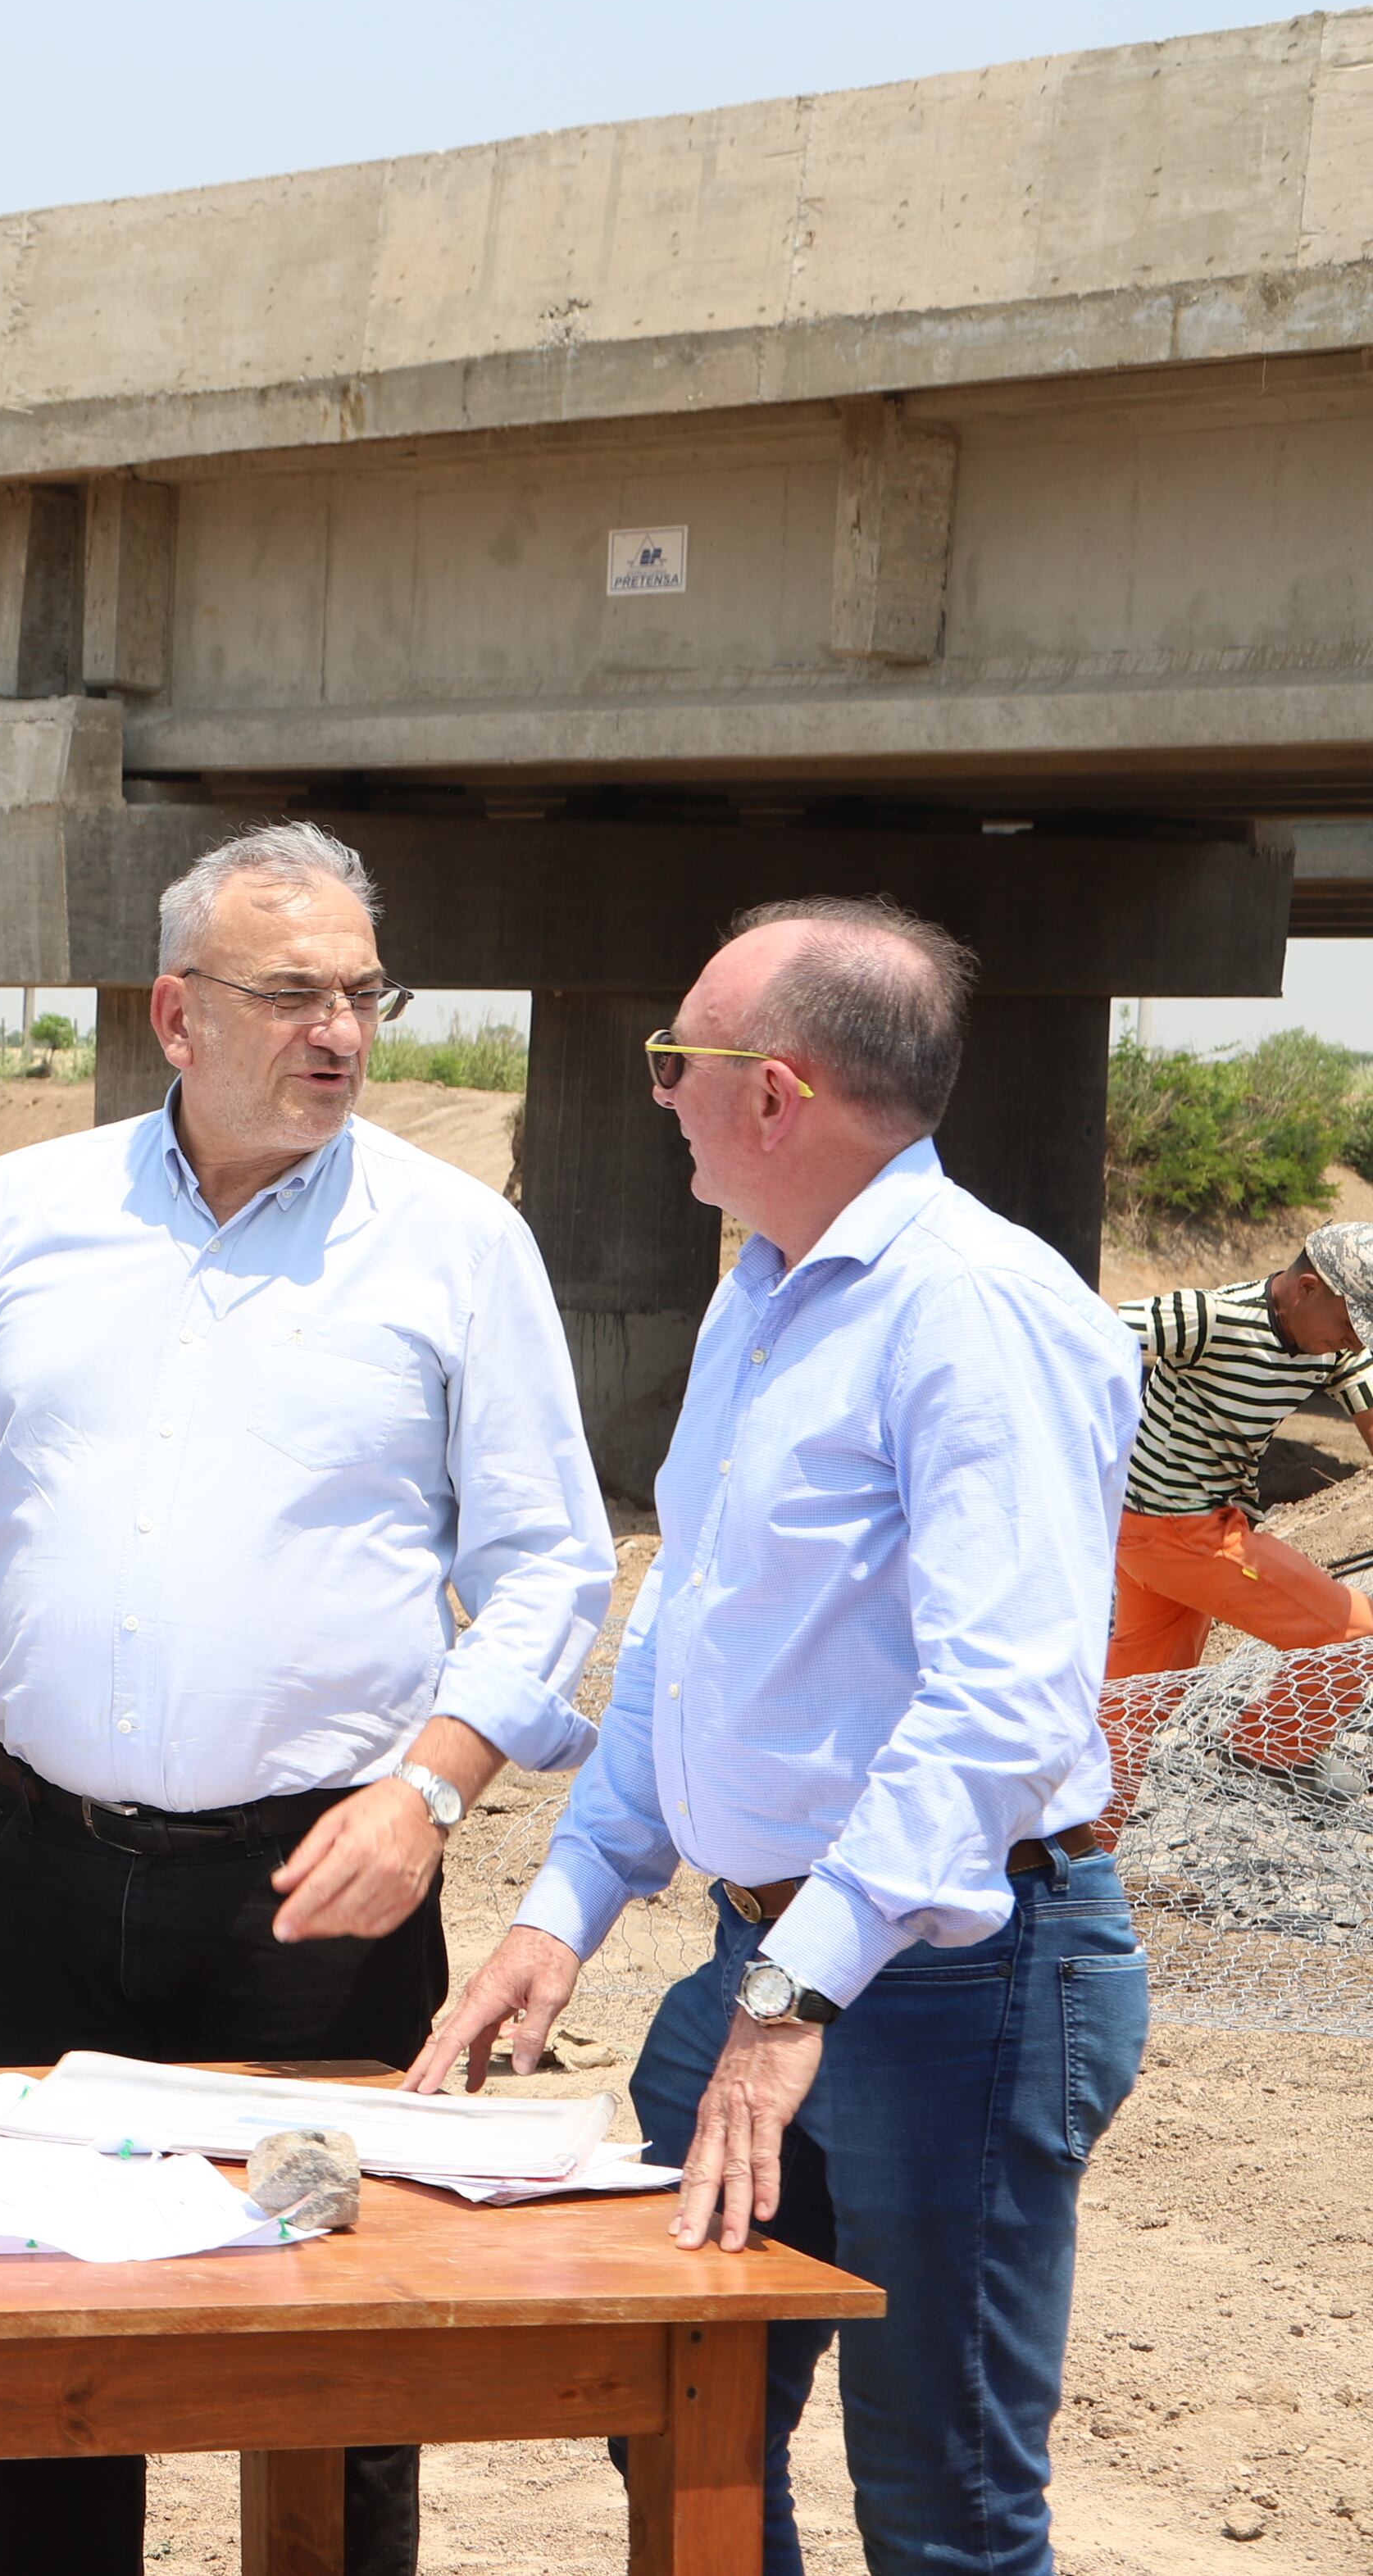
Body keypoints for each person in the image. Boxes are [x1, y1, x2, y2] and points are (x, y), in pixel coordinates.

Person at [0, 819, 613, 2576]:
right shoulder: (29, 1212)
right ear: (175, 1013)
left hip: (320, 1891)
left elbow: (555, 1563)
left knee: (333, 2359)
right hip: (35, 1866)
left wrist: (427, 1790)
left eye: (361, 993)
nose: (337, 1030)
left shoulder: (456, 1242)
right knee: (39, 2346)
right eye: (290, 994)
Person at [413, 897, 1148, 2576]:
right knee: (674, 2405)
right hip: (778, 1965)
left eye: (677, 1056)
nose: (652, 1088)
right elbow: (690, 1621)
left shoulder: (977, 1311)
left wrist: (792, 1995)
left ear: (775, 1090)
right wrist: (568, 1897)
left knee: (942, 2505)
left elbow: (1002, 1703)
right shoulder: (761, 1288)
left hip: (956, 1970)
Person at [1107, 1224, 1373, 1779]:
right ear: (1305, 1288)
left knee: (1134, 1699)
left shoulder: (1334, 1352)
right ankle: (1262, 1750)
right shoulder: (1209, 1317)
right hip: (1183, 1530)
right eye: (1352, 1324)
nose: (1355, 1341)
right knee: (1355, 1636)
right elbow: (1074, 1335)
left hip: (1153, 1535)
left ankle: (1076, 1847)